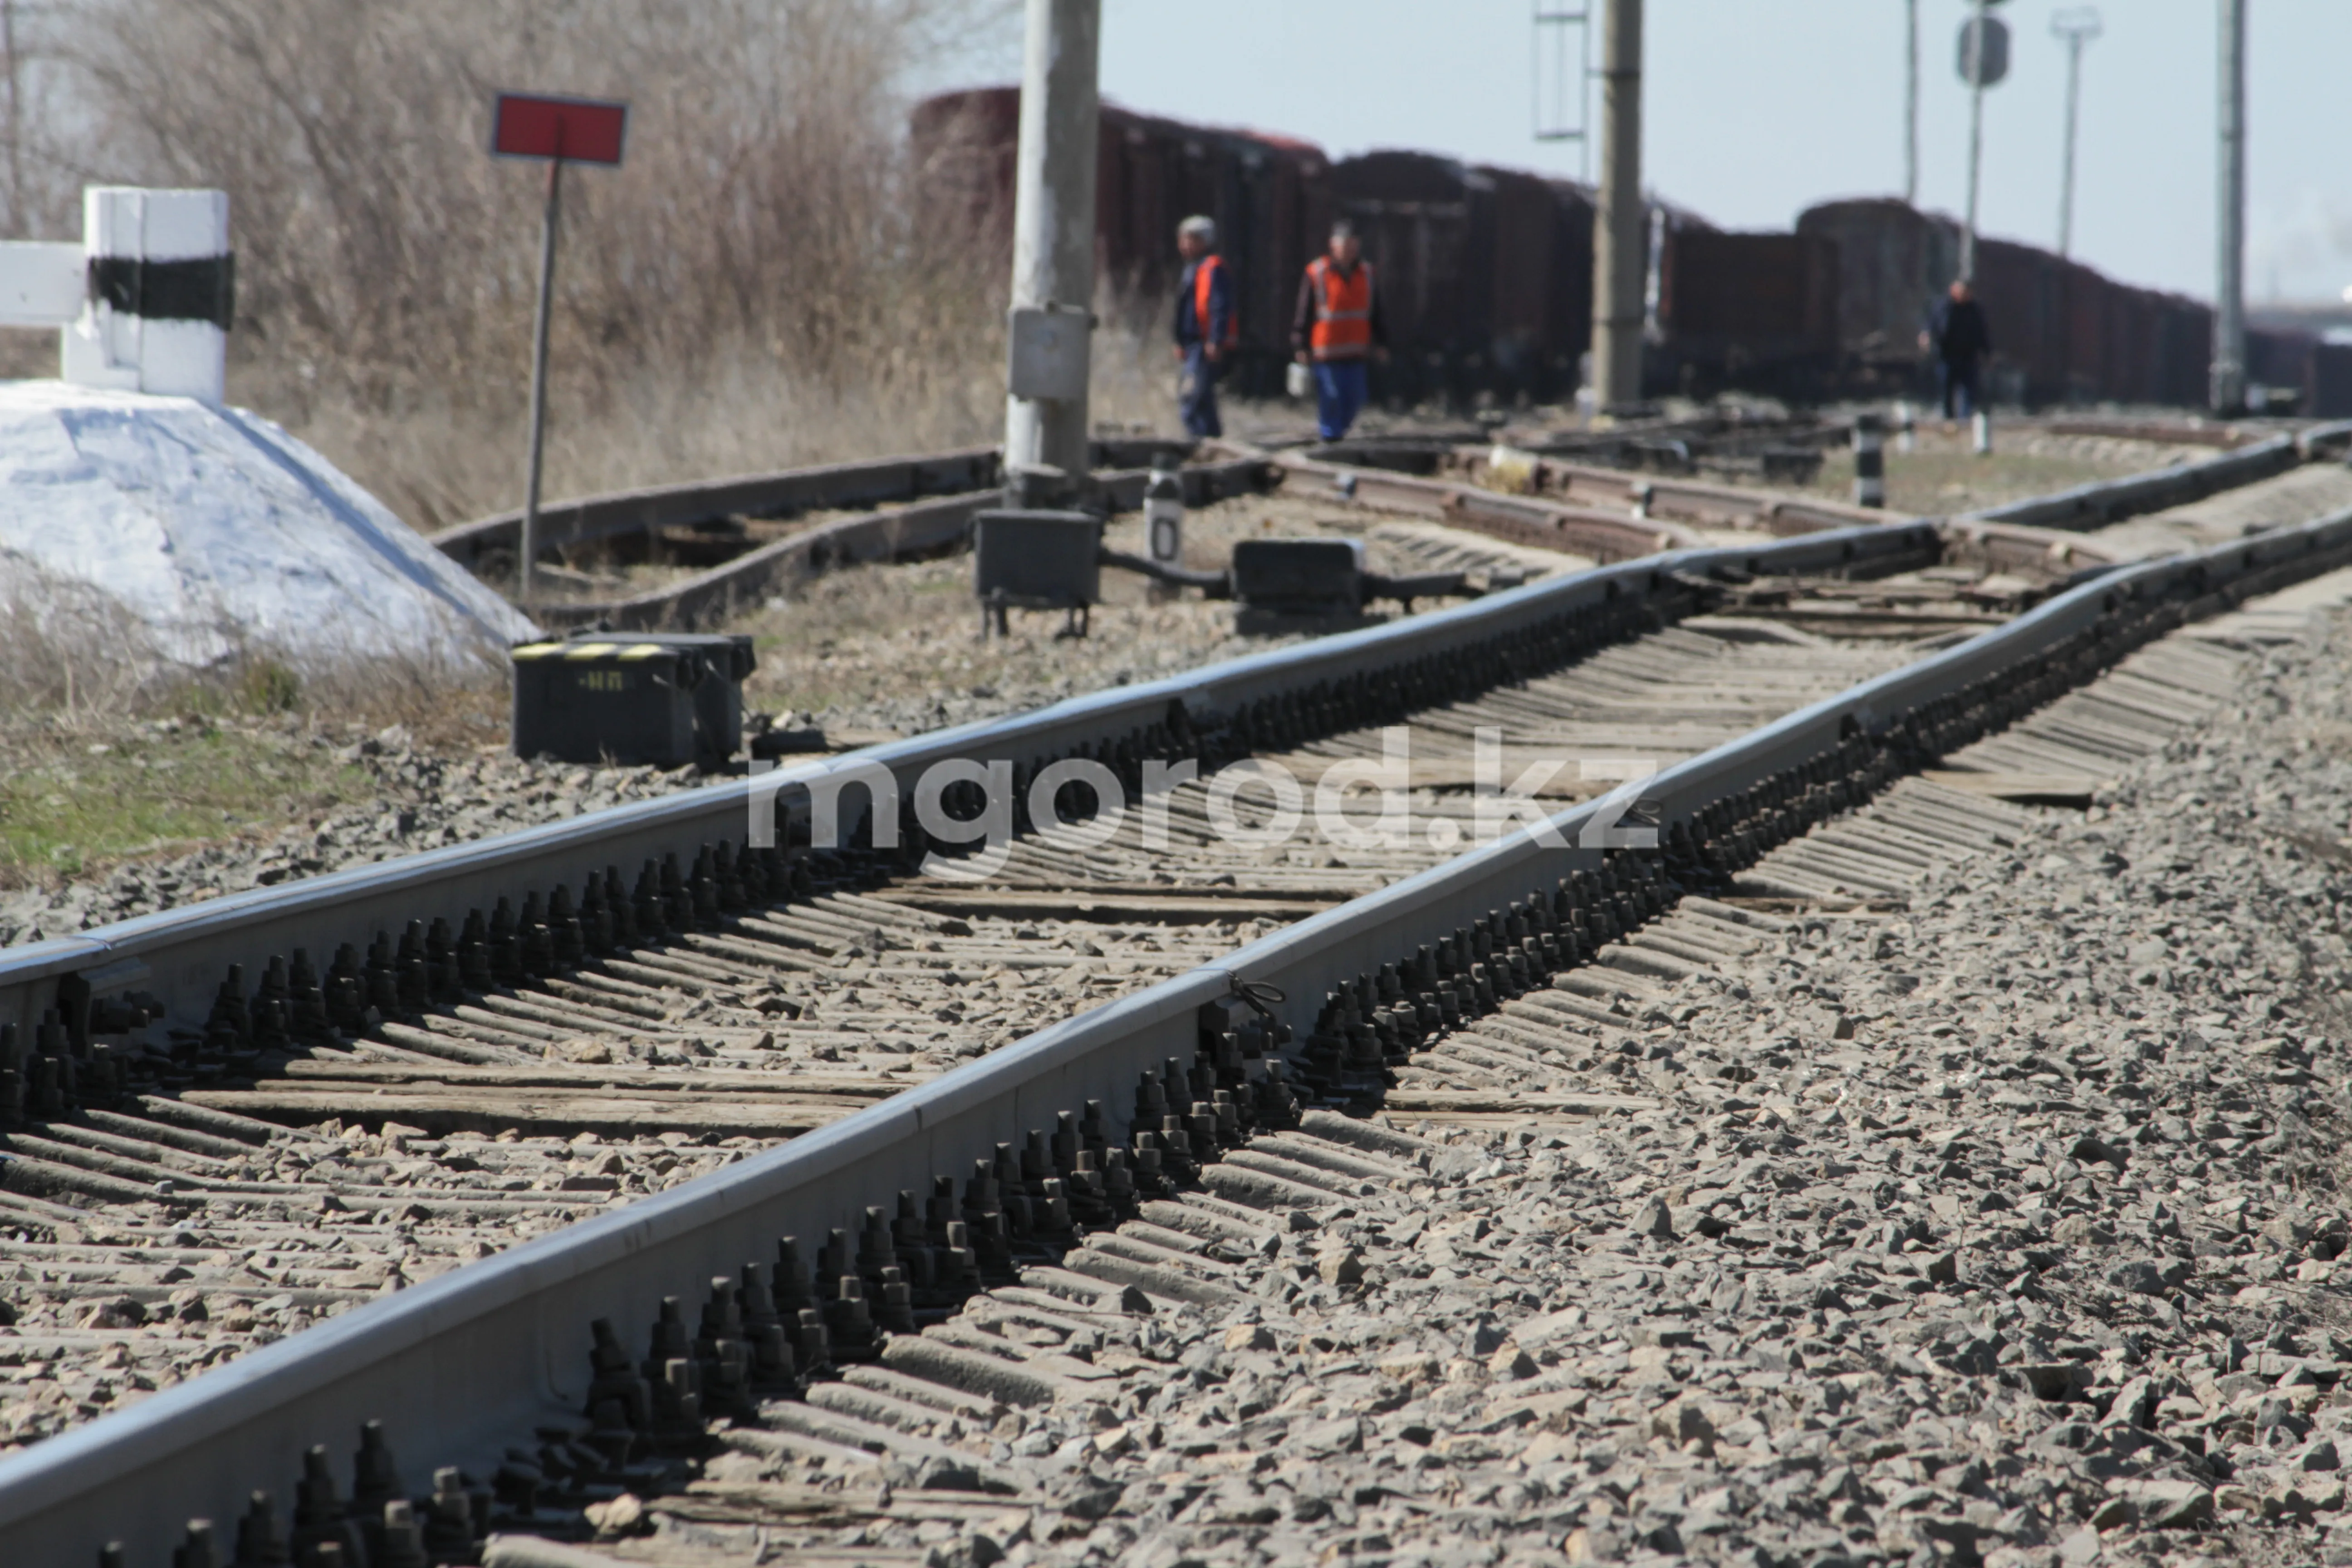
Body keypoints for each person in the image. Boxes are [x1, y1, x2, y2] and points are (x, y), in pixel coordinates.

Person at [1292, 220, 1388, 442]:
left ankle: (1340, 433)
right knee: (1331, 396)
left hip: (1355, 352)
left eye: (1353, 245)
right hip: (1326, 352)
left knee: (1355, 398)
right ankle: (1330, 438)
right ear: (1333, 246)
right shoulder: (1318, 272)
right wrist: (1300, 344)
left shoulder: (1367, 274)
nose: (1349, 250)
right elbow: (1304, 312)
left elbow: (1376, 312)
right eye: (1345, 244)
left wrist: (1382, 343)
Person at [1172, 215, 1235, 439]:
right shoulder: (1192, 269)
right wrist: (1179, 342)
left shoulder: (1213, 268)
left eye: (1192, 239)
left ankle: (1198, 443)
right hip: (1192, 344)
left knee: (1191, 398)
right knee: (1204, 399)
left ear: (1205, 242)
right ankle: (1213, 442)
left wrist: (1215, 341)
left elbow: (1220, 307)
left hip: (1203, 343)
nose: (1185, 245)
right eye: (1184, 239)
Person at [1921, 279, 1993, 423]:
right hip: (1947, 355)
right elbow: (1931, 325)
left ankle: (1964, 420)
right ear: (1953, 291)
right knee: (1947, 388)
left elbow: (1981, 332)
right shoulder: (1943, 307)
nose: (1964, 295)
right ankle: (1948, 419)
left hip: (1968, 355)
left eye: (1966, 293)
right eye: (1961, 292)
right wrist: (1926, 337)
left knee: (1968, 389)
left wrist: (1987, 353)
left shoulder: (1974, 309)